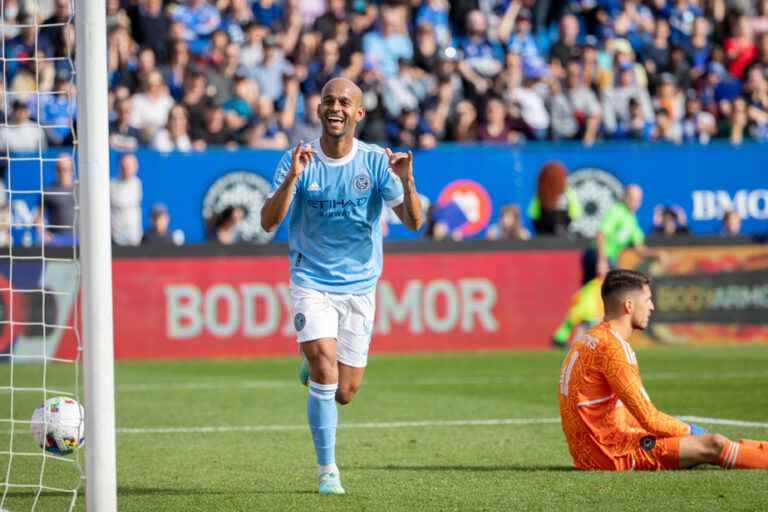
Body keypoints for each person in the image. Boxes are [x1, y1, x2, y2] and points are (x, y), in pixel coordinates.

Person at [260, 77, 423, 496]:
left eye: (345, 102)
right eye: (329, 100)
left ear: (358, 113)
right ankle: (327, 469)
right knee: (325, 369)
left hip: (360, 285)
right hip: (311, 278)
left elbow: (414, 221)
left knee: (345, 393)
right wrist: (291, 180)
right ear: (318, 110)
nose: (336, 107)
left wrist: (406, 180)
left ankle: (315, 363)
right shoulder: (300, 158)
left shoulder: (373, 162)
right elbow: (267, 221)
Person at [559, 269, 768, 470]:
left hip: (591, 449)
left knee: (683, 437)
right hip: (611, 454)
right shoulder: (614, 349)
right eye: (648, 300)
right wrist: (693, 431)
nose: (652, 307)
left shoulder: (588, 339)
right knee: (714, 443)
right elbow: (650, 419)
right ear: (629, 305)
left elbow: (619, 410)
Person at [110, 153, 143, 246]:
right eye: (124, 166)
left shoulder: (137, 183)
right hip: (116, 236)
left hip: (134, 236)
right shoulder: (112, 184)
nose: (126, 169)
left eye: (129, 166)